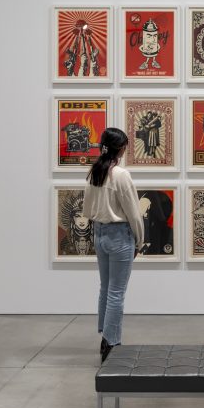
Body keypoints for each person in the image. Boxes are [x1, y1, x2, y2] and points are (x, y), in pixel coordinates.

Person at [83, 128, 144, 361]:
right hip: (119, 236)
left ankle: (104, 336)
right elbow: (133, 213)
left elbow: (87, 209)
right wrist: (139, 240)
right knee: (117, 292)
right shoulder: (120, 175)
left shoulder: (95, 173)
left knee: (105, 288)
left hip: (99, 233)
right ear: (121, 148)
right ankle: (111, 342)